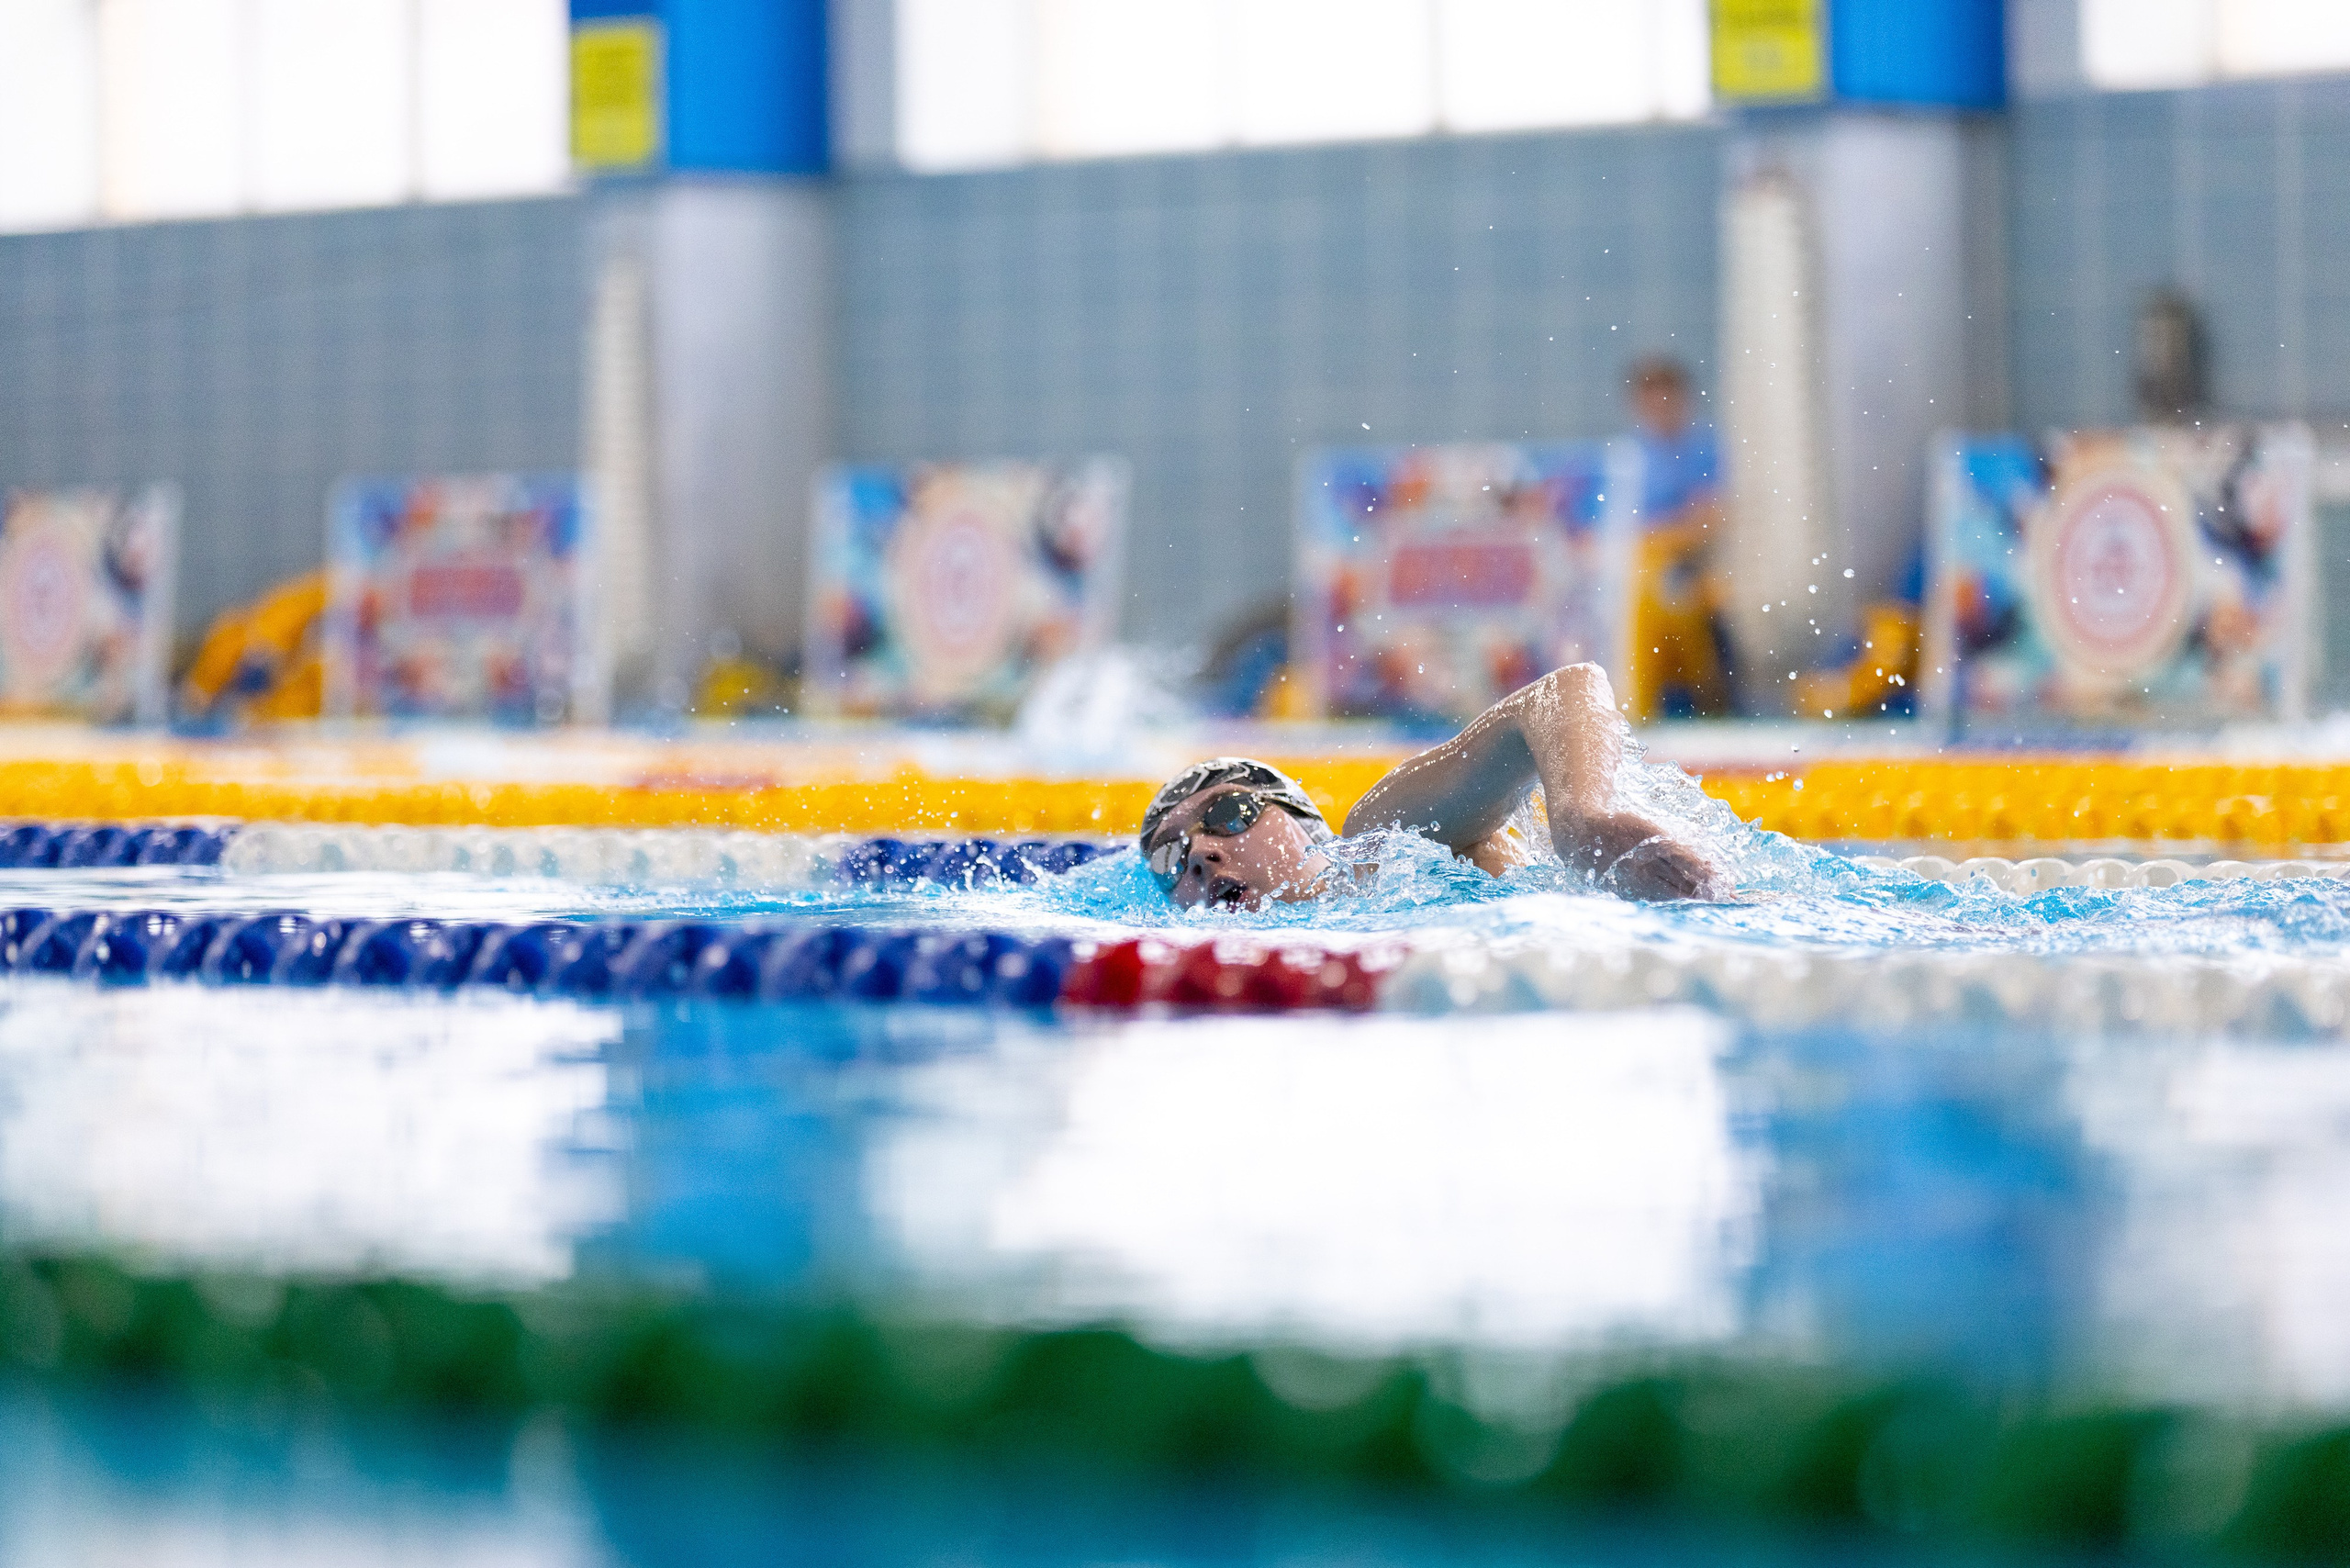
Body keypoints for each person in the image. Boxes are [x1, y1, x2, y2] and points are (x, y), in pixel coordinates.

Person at [1140, 663, 1726, 911]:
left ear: (1299, 817)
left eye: (1231, 812)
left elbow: (1566, 689)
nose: (1198, 855)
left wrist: (1584, 819)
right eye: (1169, 856)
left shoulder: (1381, 842)